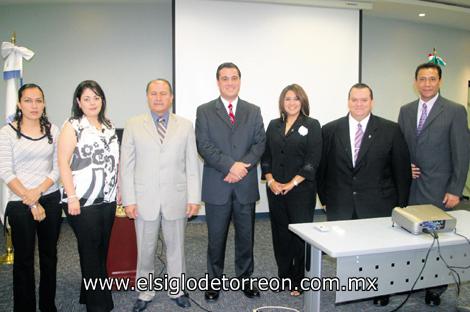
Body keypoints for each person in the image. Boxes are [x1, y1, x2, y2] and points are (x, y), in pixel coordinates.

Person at [317, 83, 411, 306]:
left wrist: (401, 205)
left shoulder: (391, 129)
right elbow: (322, 170)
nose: (359, 104)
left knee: (379, 251)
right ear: (348, 101)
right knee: (347, 249)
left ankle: (381, 289)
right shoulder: (330, 130)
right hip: (341, 202)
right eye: (354, 100)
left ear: (372, 102)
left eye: (364, 100)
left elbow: (402, 171)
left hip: (379, 204)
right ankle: (352, 288)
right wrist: (326, 200)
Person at [120, 79, 201, 311]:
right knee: (145, 249)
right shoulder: (133, 124)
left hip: (176, 196)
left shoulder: (185, 125)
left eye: (163, 93)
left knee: (176, 247)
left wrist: (194, 198)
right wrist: (129, 200)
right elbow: (126, 166)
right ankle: (145, 292)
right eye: (153, 93)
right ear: (147, 97)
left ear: (171, 97)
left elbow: (191, 165)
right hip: (144, 200)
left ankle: (177, 289)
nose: (158, 97)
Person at [398, 63, 470, 306]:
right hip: (412, 187)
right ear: (415, 82)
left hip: (440, 189)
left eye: (432, 79)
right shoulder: (406, 110)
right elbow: (402, 147)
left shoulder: (455, 110)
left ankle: (434, 288)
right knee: (411, 234)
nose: (427, 83)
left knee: (436, 240)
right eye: (422, 79)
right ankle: (413, 279)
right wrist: (405, 166)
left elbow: (462, 153)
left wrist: (455, 189)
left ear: (440, 81)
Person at [195, 62, 266, 301]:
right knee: (216, 238)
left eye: (234, 77)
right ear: (218, 82)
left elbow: (259, 144)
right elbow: (203, 145)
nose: (230, 82)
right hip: (218, 185)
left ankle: (246, 279)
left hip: (244, 186)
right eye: (224, 78)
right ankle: (213, 282)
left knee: (246, 237)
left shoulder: (253, 110)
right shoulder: (204, 111)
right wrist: (230, 166)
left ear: (240, 80)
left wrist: (241, 168)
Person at [58, 80, 119, 312]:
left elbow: (114, 161)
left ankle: (88, 293)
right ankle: (98, 306)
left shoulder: (108, 125)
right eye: (87, 98)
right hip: (81, 201)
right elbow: (63, 162)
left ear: (102, 100)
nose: (92, 102)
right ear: (78, 102)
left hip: (108, 199)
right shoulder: (73, 126)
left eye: (96, 97)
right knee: (90, 251)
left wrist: (118, 189)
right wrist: (71, 197)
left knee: (100, 249)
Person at [0, 83, 62, 312]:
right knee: (24, 260)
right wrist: (32, 200)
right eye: (28, 100)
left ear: (44, 103)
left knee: (50, 256)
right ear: (19, 104)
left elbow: (58, 168)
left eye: (38, 100)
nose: (34, 105)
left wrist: (39, 193)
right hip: (19, 201)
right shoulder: (6, 133)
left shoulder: (53, 131)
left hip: (50, 197)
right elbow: (6, 171)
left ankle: (48, 306)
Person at [260, 84, 321, 296]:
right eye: (288, 99)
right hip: (275, 190)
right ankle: (283, 276)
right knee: (280, 235)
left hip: (301, 191)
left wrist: (291, 183)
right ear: (282, 102)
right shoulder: (273, 125)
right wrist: (270, 180)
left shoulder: (312, 125)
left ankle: (299, 280)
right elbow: (266, 156)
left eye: (296, 98)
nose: (292, 102)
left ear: (302, 101)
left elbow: (313, 160)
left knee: (299, 237)